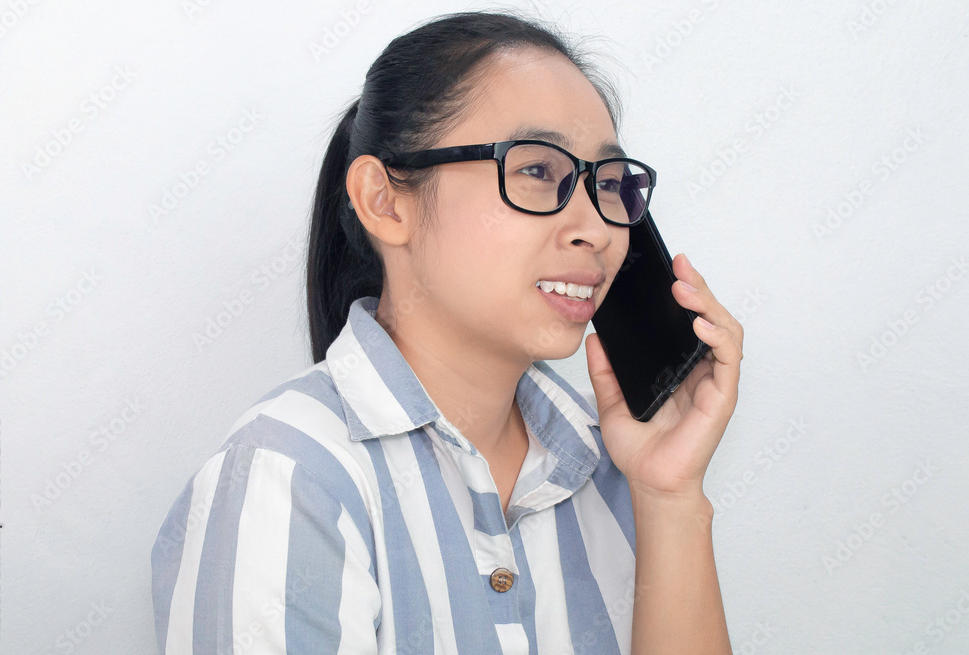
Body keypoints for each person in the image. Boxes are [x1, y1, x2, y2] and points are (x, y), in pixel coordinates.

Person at [151, 9, 743, 654]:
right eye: (537, 171)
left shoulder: (615, 465)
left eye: (606, 182)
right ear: (386, 200)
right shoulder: (288, 478)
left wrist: (669, 496)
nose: (596, 229)